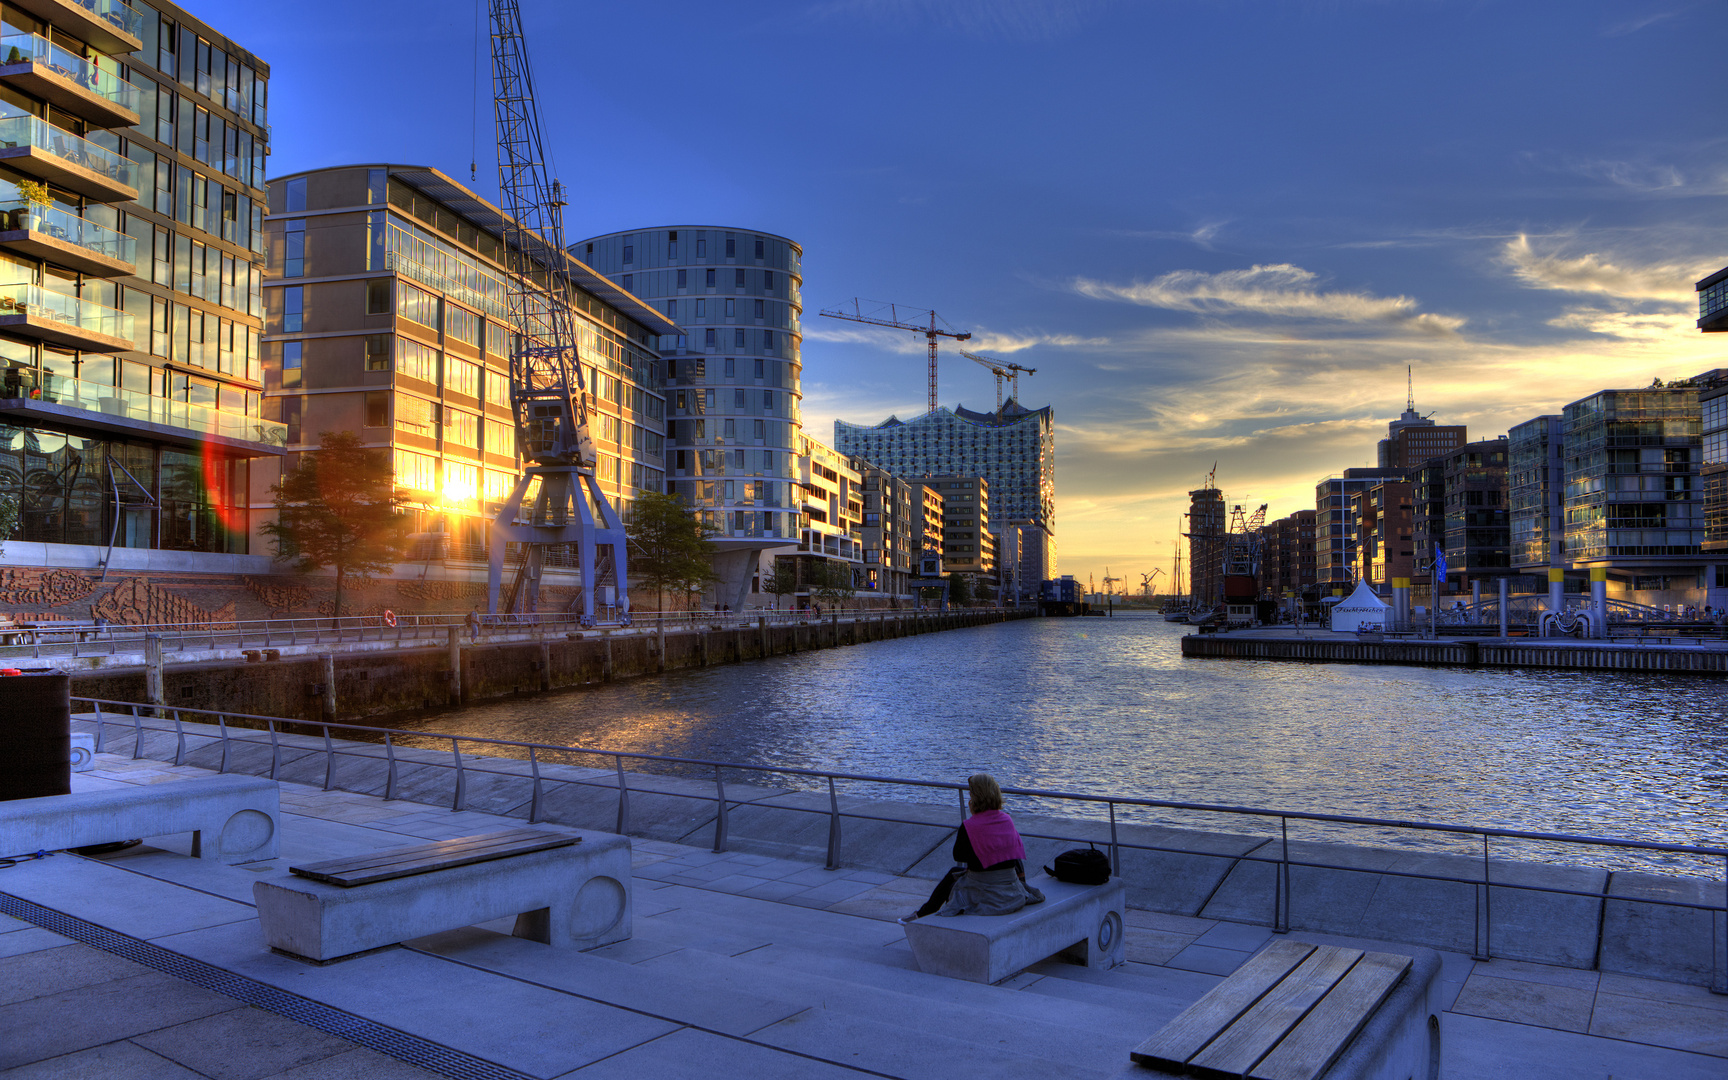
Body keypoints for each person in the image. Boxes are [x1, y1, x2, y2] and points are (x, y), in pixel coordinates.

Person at [900, 774, 1043, 924]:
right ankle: (923, 913)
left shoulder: (970, 826)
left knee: (953, 878)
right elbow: (1013, 854)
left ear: (975, 797)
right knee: (955, 874)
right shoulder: (1006, 819)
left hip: (985, 888)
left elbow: (959, 855)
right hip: (1010, 887)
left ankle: (923, 914)